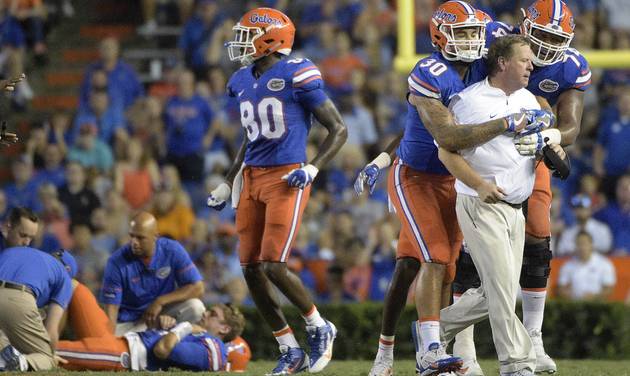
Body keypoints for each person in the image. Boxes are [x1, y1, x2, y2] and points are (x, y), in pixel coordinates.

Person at [353, 2, 536, 375]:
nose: (470, 40)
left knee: (441, 267)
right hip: (416, 177)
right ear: (440, 35)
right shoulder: (430, 71)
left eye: (474, 33)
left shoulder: (481, 71)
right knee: (431, 259)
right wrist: (508, 123)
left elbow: (518, 74)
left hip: (453, 180)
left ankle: (430, 351)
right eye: (463, 32)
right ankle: (424, 350)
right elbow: (444, 135)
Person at [452, 1, 591, 373]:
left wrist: (551, 133)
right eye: (540, 36)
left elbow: (571, 126)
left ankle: (533, 339)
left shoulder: (572, 65)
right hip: (480, 149)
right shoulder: (492, 39)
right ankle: (461, 346)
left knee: (539, 236)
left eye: (554, 38)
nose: (545, 47)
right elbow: (458, 88)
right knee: (467, 250)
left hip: (528, 153)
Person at [207, 7, 347, 375]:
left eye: (246, 35)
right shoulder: (241, 79)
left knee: (274, 264)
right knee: (251, 268)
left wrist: (312, 167)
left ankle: (319, 325)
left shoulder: (297, 72)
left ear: (270, 39)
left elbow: (338, 129)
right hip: (252, 176)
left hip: (286, 176)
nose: (240, 43)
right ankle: (289, 348)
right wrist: (228, 179)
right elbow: (250, 138)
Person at [437, 34, 566, 376]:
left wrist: (550, 148)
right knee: (502, 289)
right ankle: (517, 363)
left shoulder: (528, 99)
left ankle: (433, 331)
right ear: (503, 62)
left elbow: (534, 143)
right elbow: (445, 150)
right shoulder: (469, 101)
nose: (532, 65)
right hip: (481, 204)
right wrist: (478, 185)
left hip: (516, 208)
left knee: (500, 291)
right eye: (525, 59)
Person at [100, 211, 205, 336]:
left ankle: (175, 340)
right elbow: (111, 310)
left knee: (195, 307)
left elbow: (198, 288)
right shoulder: (116, 262)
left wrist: (160, 301)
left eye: (140, 238)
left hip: (162, 314)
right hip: (130, 323)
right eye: (132, 236)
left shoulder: (172, 250)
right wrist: (109, 342)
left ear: (155, 236)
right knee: (110, 337)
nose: (134, 242)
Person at [56, 303, 246, 372]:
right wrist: (162, 326)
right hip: (122, 339)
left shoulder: (214, 346)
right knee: (74, 287)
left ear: (224, 328)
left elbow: (162, 349)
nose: (205, 313)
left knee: (51, 349)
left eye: (213, 314)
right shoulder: (199, 335)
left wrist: (185, 326)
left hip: (125, 354)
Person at [0, 247, 75, 371]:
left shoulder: (19, 251)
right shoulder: (64, 276)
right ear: (68, 270)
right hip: (17, 298)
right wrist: (51, 354)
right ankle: (14, 362)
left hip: (11, 303)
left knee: (5, 346)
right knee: (46, 358)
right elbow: (51, 329)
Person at [557, 231, 616, 300]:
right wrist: (572, 297)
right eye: (579, 244)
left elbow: (609, 289)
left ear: (591, 244)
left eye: (584, 243)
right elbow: (561, 288)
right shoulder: (567, 266)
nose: (582, 247)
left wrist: (594, 297)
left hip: (598, 304)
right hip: (574, 304)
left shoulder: (605, 264)